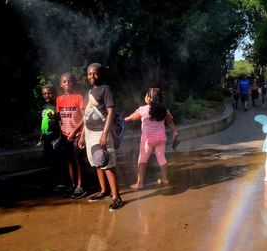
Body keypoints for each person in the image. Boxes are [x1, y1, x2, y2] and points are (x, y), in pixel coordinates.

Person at [79, 63, 122, 212]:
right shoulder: (89, 92)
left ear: (101, 75)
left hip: (101, 133)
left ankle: (116, 197)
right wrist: (82, 135)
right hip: (90, 132)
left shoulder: (105, 89)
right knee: (97, 162)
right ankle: (104, 191)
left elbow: (111, 112)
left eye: (95, 73)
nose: (92, 76)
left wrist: (104, 133)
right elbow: (86, 115)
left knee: (107, 163)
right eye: (89, 74)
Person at [124, 88, 178, 189]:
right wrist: (175, 131)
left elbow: (131, 118)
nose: (145, 97)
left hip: (147, 141)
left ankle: (140, 183)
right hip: (161, 138)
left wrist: (121, 120)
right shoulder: (164, 110)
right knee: (161, 157)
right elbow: (170, 122)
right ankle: (165, 179)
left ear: (149, 99)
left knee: (142, 160)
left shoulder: (144, 109)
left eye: (146, 96)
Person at [56, 72, 86, 199]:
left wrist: (81, 135)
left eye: (70, 81)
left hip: (77, 134)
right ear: (61, 84)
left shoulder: (79, 97)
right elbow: (59, 118)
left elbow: (85, 118)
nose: (67, 84)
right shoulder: (59, 99)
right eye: (64, 81)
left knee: (78, 161)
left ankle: (80, 186)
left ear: (74, 83)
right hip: (65, 135)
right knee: (69, 162)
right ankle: (73, 184)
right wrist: (61, 133)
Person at [37, 83, 64, 190]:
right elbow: (43, 122)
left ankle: (61, 182)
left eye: (49, 93)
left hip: (56, 139)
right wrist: (41, 136)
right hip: (46, 140)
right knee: (49, 161)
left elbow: (61, 121)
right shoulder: (44, 107)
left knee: (58, 161)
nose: (47, 95)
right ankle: (50, 181)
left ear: (54, 93)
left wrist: (60, 138)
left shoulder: (57, 106)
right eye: (44, 94)